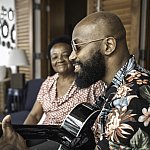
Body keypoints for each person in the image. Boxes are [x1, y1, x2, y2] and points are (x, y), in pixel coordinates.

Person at [1, 11, 150, 149]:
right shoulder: (113, 88)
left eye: (77, 47)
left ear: (108, 46)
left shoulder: (133, 101)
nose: (71, 57)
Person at [0, 35, 105, 150]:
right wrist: (22, 134)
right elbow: (34, 115)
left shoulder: (91, 83)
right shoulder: (47, 83)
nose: (59, 60)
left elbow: (101, 116)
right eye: (55, 57)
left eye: (65, 55)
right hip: (45, 133)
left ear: (73, 56)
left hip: (70, 138)